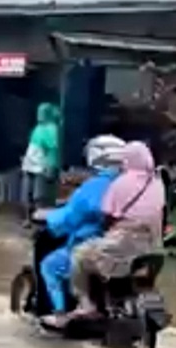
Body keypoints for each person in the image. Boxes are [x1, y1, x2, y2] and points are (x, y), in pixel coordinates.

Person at [41, 141, 166, 327]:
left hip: (122, 244)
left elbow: (106, 216)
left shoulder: (121, 183)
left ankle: (86, 305)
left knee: (80, 255)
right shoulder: (157, 184)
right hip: (153, 248)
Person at [35, 135, 126, 314]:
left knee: (49, 266)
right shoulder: (129, 184)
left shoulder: (95, 187)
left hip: (91, 243)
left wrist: (49, 218)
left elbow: (70, 218)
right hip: (124, 246)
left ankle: (59, 312)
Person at [22, 103, 61, 215]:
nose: (39, 115)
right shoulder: (40, 127)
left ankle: (37, 219)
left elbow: (52, 150)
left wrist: (51, 167)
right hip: (31, 164)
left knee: (38, 196)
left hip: (40, 166)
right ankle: (28, 217)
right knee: (29, 194)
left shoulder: (51, 128)